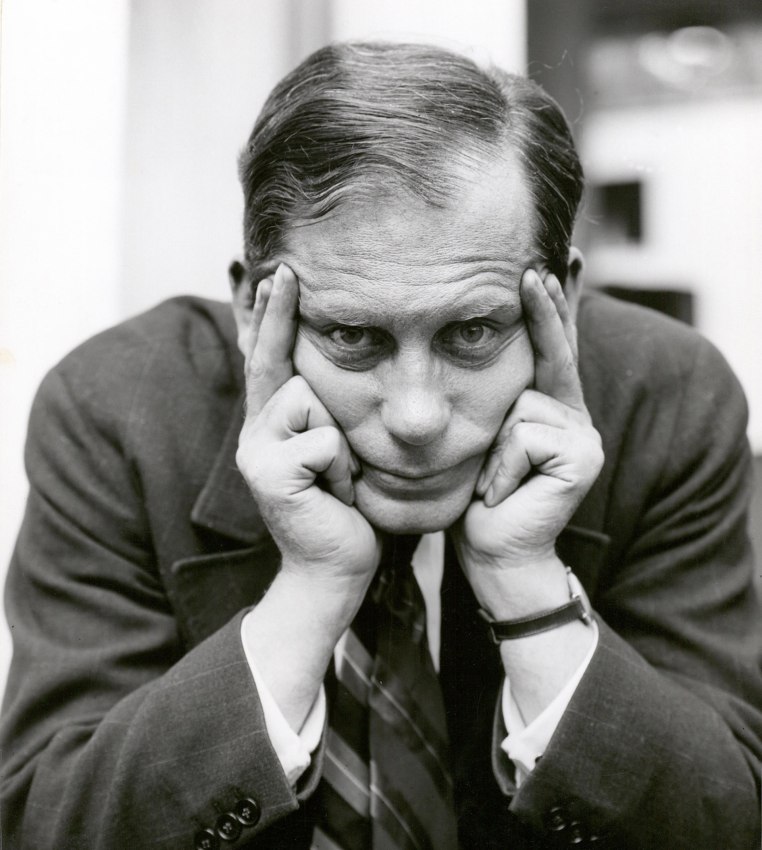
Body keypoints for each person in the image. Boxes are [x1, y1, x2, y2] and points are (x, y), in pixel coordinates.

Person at [1, 41, 760, 850]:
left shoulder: (668, 401)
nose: (417, 416)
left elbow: (733, 822)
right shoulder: (118, 413)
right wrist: (310, 591)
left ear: (563, 304)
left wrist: (528, 587)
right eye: (353, 336)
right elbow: (44, 824)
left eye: (474, 332)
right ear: (255, 313)